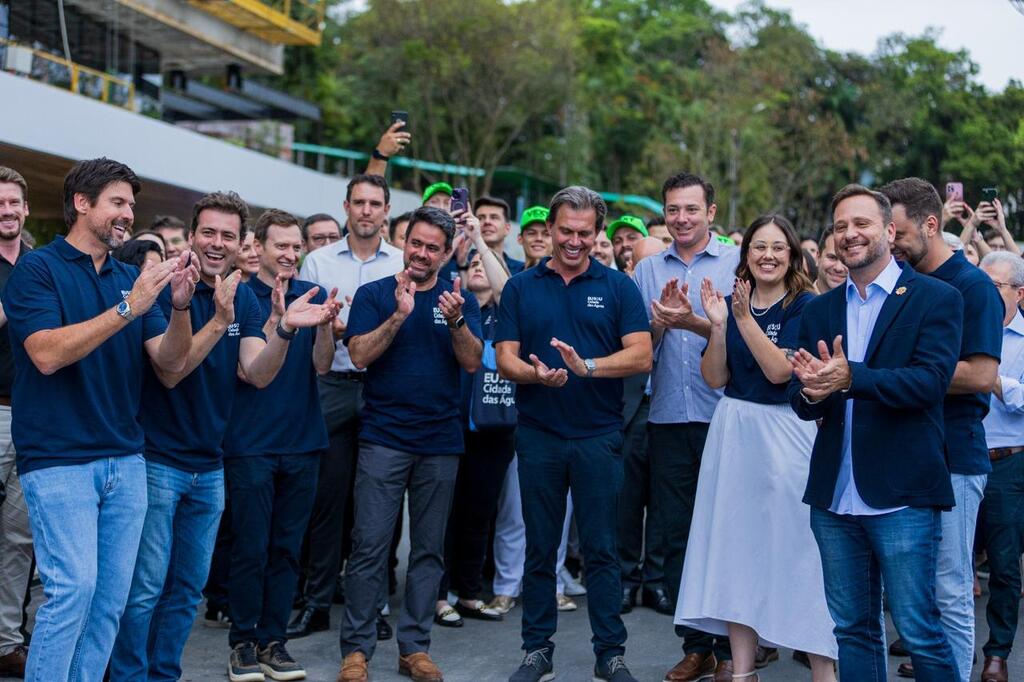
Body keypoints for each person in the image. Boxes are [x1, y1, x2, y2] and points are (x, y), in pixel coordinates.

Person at [110, 191, 336, 682]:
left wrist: (284, 329)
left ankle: (164, 674)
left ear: (240, 244)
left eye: (227, 236)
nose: (217, 243)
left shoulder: (246, 298)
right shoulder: (163, 284)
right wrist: (212, 318)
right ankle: (128, 675)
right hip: (156, 460)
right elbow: (170, 370)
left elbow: (256, 373)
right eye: (208, 233)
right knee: (147, 586)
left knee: (188, 590)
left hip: (209, 465)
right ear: (192, 236)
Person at [2, 157, 198, 681]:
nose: (128, 214)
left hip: (126, 460)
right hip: (58, 457)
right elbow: (45, 354)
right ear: (82, 204)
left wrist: (179, 308)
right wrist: (129, 308)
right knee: (74, 590)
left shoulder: (133, 277)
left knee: (110, 602)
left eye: (131, 205)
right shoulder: (35, 270)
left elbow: (171, 364)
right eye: (117, 202)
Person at [788, 183, 962, 681]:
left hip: (902, 496)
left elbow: (930, 384)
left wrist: (852, 377)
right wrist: (812, 392)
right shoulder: (819, 309)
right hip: (834, 498)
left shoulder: (936, 298)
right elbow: (800, 402)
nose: (849, 234)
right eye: (840, 226)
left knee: (919, 627)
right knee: (852, 630)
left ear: (889, 230)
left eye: (861, 223)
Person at [496, 186, 652, 682]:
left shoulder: (618, 286)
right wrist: (534, 375)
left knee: (602, 550)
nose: (574, 241)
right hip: (538, 434)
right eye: (565, 231)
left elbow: (642, 355)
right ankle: (536, 651)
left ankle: (610, 653)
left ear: (597, 233)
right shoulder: (522, 286)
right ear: (551, 228)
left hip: (598, 437)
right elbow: (504, 358)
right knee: (540, 548)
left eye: (585, 233)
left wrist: (586, 366)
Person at [675, 214, 836, 681]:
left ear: (792, 256)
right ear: (746, 255)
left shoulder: (807, 306)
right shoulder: (729, 304)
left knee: (800, 552)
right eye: (758, 247)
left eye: (777, 247)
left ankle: (823, 670)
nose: (767, 255)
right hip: (734, 431)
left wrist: (743, 319)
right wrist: (720, 327)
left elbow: (779, 372)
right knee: (737, 552)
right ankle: (743, 672)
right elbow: (715, 378)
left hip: (788, 432)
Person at [336, 206, 482, 682]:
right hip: (384, 439)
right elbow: (358, 354)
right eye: (415, 243)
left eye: (432, 247)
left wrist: (458, 322)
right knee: (369, 546)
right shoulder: (377, 294)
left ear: (446, 252)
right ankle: (356, 651)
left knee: (428, 551)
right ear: (405, 244)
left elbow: (473, 363)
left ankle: (414, 648)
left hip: (440, 441)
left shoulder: (457, 299)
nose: (421, 253)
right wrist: (399, 316)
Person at [880, 177, 1003, 682]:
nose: (889, 241)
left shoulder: (972, 286)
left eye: (898, 230)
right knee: (910, 591)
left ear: (932, 225)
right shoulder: (897, 281)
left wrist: (901, 370)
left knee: (951, 588)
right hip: (900, 452)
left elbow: (980, 374)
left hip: (955, 455)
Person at [222, 209, 339, 681]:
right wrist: (280, 320)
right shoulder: (238, 298)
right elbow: (249, 370)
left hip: (303, 440)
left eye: (297, 247)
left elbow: (324, 366)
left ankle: (275, 642)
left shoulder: (308, 295)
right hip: (250, 442)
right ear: (258, 246)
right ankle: (243, 643)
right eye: (281, 246)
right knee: (250, 545)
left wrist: (327, 322)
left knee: (288, 548)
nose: (290, 255)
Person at [631, 172, 739, 682]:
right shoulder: (647, 270)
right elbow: (637, 350)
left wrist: (692, 321)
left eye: (691, 210)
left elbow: (747, 341)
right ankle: (696, 646)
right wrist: (659, 322)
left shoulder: (739, 264)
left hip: (728, 418)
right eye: (673, 210)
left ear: (711, 213)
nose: (681, 219)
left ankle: (735, 644)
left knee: (729, 532)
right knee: (675, 534)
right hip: (668, 419)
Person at [292, 174, 404, 640]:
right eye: (358, 202)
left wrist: (352, 323)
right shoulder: (317, 261)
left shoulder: (402, 262)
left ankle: (373, 607)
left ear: (386, 210)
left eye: (374, 203)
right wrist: (338, 324)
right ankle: (316, 603)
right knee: (326, 501)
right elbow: (305, 324)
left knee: (377, 508)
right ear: (346, 206)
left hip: (384, 387)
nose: (365, 210)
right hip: (332, 384)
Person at [435, 213, 514, 626]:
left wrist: (481, 242)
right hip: (449, 425)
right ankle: (438, 594)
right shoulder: (452, 307)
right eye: (472, 265)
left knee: (479, 513)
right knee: (443, 513)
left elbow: (508, 286)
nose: (479, 269)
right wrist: (456, 244)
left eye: (486, 264)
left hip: (495, 430)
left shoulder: (506, 313)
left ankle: (467, 592)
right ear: (460, 274)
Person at [977, 251, 1024, 682]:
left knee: (1005, 565)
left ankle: (997, 653)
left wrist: (986, 374)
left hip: (1009, 462)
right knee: (947, 560)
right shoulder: (964, 327)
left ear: (1019, 292)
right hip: (958, 454)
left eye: (996, 288)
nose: (986, 295)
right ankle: (938, 648)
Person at [618, 234, 668, 617]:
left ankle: (657, 581)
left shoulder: (682, 297)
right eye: (643, 264)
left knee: (665, 501)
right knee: (628, 499)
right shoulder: (624, 297)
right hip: (633, 408)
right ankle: (624, 578)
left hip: (671, 411)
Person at [0, 167, 31, 679]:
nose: (6, 210)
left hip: (36, 415)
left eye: (12, 203)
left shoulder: (39, 263)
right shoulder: (32, 279)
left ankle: (5, 640)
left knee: (19, 538)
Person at [815, 227, 847, 293]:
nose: (838, 268)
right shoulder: (795, 301)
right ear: (818, 257)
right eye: (832, 258)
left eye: (845, 260)